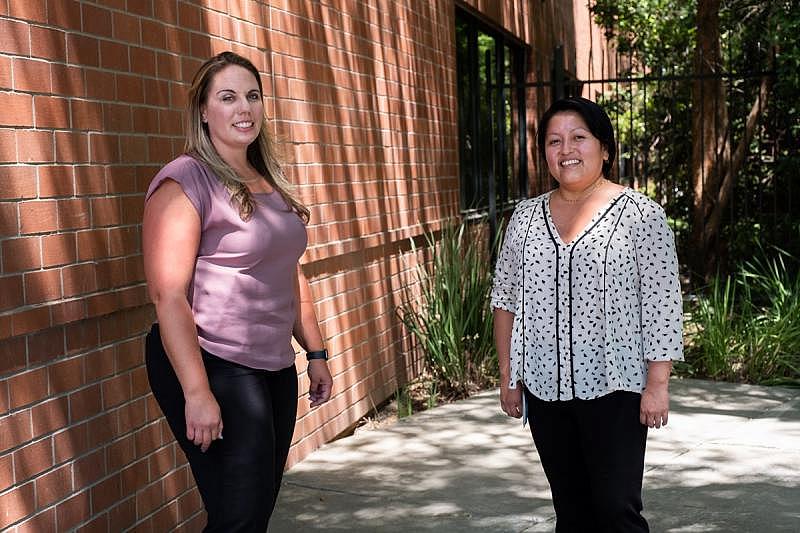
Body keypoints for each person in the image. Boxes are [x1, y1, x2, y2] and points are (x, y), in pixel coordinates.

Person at [142, 51, 333, 532]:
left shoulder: (269, 179)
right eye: (227, 98)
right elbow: (168, 295)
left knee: (255, 509)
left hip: (271, 367)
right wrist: (197, 391)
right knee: (239, 515)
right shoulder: (185, 180)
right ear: (203, 111)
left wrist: (315, 350)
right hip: (212, 363)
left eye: (252, 96)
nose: (243, 108)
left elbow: (288, 271)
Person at [491, 96, 683, 532]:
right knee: (572, 513)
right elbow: (505, 299)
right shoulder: (523, 218)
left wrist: (657, 385)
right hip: (544, 388)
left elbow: (662, 303)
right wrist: (508, 377)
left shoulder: (641, 215)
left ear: (605, 148)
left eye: (579, 137)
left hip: (615, 389)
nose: (566, 150)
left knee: (617, 511)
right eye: (554, 141)